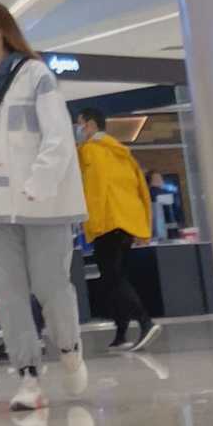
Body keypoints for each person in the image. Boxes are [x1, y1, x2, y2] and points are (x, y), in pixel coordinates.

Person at [0, 2, 89, 414]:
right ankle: (28, 377)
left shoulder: (36, 75)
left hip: (42, 204)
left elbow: (58, 136)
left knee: (51, 286)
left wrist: (40, 181)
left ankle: (69, 347)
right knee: (8, 293)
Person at [76, 108, 161, 353]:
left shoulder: (90, 152)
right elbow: (141, 190)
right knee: (112, 278)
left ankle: (145, 322)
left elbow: (93, 190)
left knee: (112, 278)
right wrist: (144, 229)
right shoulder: (122, 153)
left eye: (80, 124)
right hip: (126, 224)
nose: (79, 129)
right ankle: (121, 333)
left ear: (90, 125)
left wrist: (88, 221)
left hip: (107, 223)